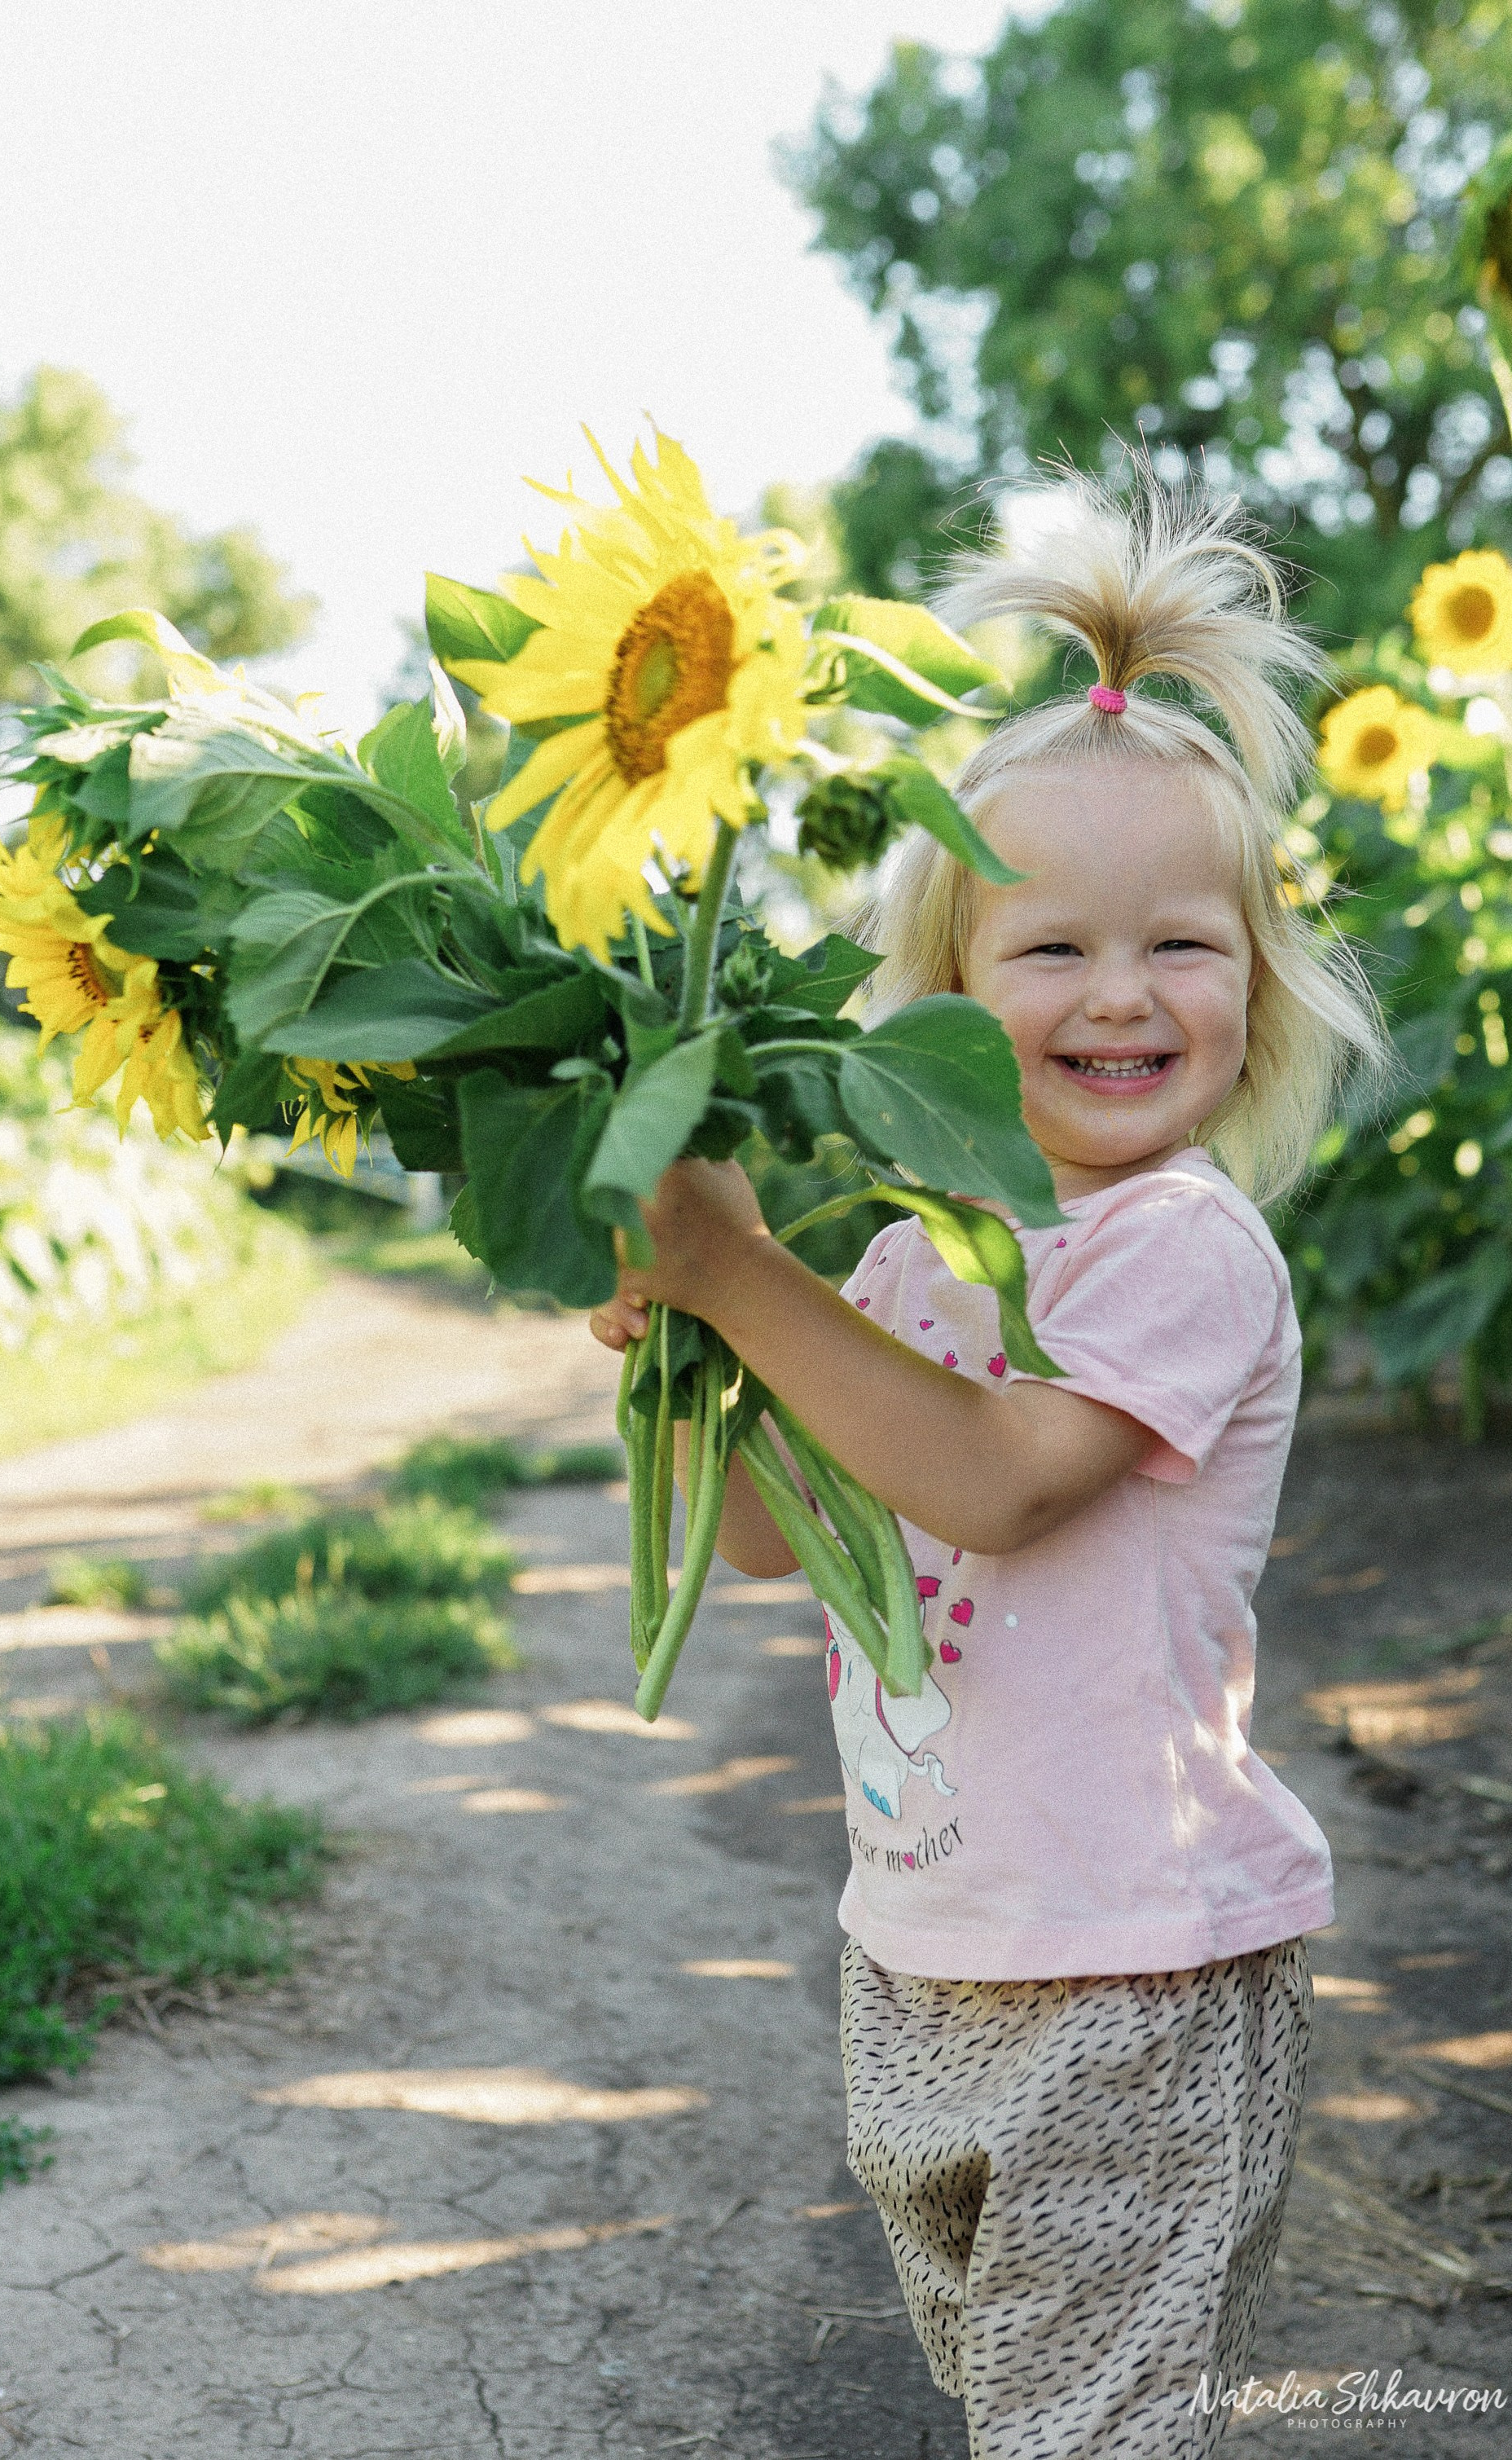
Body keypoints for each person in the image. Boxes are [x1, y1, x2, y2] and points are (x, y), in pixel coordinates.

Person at [588, 467, 1388, 2456]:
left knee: (1083, 2429)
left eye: (1182, 947)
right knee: (1017, 2405)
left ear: (1258, 983)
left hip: (1132, 1960)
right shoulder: (899, 1255)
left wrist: (751, 1278)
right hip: (924, 1941)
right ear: (943, 1003)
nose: (1121, 993)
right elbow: (781, 1537)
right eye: (1050, 954)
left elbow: (1006, 1478)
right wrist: (700, 1333)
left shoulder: (1179, 1247)